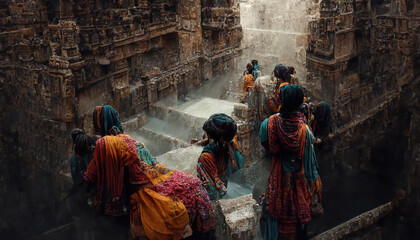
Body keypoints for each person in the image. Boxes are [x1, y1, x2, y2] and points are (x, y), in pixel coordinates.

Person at [87, 105, 215, 239]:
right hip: (142, 185)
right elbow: (151, 165)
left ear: (99, 124)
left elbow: (90, 177)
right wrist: (170, 172)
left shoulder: (101, 146)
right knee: (190, 183)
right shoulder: (130, 142)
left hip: (119, 201)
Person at [259, 85, 322, 240]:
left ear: (282, 100)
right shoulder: (304, 129)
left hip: (278, 172)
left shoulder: (270, 122)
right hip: (298, 174)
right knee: (297, 209)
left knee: (277, 208)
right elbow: (310, 164)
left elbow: (266, 145)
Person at [196, 113, 243, 200]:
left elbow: (212, 181)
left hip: (211, 193)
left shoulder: (206, 156)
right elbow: (236, 166)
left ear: (210, 135)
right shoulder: (229, 146)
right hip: (223, 179)